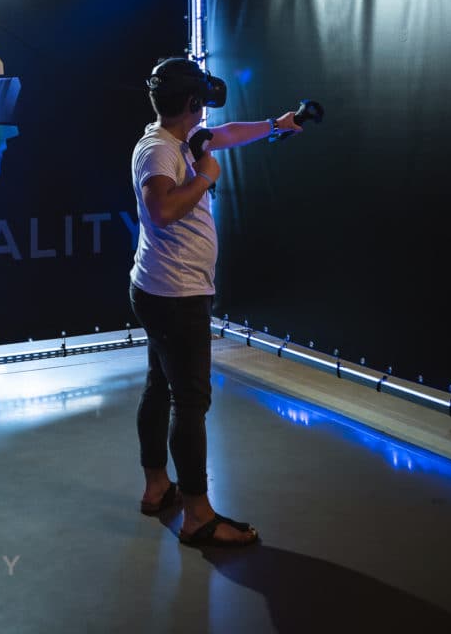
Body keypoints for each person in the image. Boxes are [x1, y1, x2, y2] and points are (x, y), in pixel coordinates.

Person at [129, 55, 303, 548]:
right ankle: (198, 515)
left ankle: (157, 488)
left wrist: (276, 125)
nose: (205, 107)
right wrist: (205, 177)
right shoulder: (160, 151)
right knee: (189, 401)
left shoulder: (179, 139)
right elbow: (162, 210)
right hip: (176, 297)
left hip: (163, 290)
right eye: (200, 99)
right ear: (190, 101)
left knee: (160, 386)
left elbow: (225, 134)